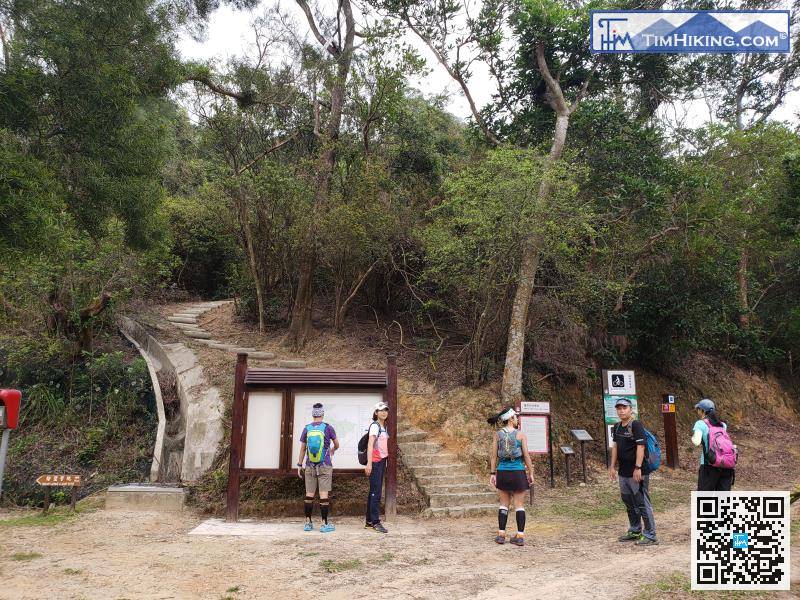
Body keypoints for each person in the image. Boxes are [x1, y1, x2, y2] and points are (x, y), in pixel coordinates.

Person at [608, 398, 658, 546]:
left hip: (637, 471)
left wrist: (638, 468)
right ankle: (635, 529)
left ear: (630, 409)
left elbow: (641, 447)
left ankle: (650, 534)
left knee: (642, 502)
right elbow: (615, 447)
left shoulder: (636, 425)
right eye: (619, 408)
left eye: (624, 407)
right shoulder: (617, 427)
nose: (621, 410)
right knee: (629, 501)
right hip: (623, 472)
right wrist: (612, 467)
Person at [487, 407, 533, 547]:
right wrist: (530, 472)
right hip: (518, 472)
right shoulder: (520, 435)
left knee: (504, 504)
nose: (517, 419)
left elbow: (494, 456)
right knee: (519, 505)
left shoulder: (497, 435)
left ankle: (501, 535)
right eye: (516, 417)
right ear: (511, 419)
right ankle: (520, 536)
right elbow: (526, 456)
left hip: (503, 472)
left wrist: (493, 473)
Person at [297, 402, 339, 533]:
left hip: (310, 465)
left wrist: (299, 465)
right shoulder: (328, 428)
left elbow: (303, 449)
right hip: (325, 465)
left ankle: (308, 523)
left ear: (313, 415)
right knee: (323, 495)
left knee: (309, 494)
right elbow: (337, 444)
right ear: (323, 414)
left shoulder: (307, 428)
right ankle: (324, 524)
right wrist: (332, 450)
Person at [692, 398, 735, 491]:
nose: (697, 411)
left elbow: (696, 442)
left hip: (709, 465)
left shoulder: (700, 424)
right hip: (725, 464)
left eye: (698, 409)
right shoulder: (722, 425)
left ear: (702, 411)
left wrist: (693, 437)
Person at [364, 401, 390, 533]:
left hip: (381, 462)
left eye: (385, 410)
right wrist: (369, 463)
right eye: (381, 410)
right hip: (375, 462)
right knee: (376, 493)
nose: (384, 412)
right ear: (376, 413)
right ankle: (375, 522)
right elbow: (370, 445)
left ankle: (369, 521)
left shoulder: (384, 427)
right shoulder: (375, 426)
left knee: (374, 492)